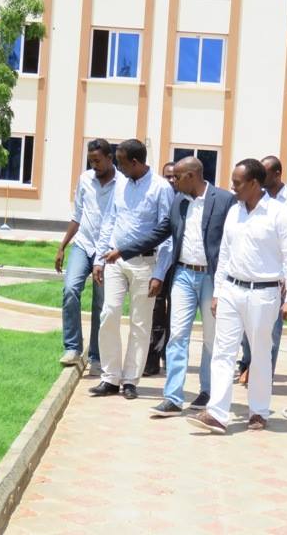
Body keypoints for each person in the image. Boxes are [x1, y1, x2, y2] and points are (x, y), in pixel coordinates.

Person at [106, 156, 235, 416]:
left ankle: (208, 391)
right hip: (184, 275)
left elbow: (235, 240)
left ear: (191, 176)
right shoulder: (178, 202)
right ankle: (173, 397)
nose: (172, 181)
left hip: (211, 277)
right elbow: (159, 233)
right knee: (177, 336)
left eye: (177, 177)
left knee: (211, 338)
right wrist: (123, 251)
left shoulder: (223, 200)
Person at [187, 159, 287, 434]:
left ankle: (259, 412)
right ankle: (217, 413)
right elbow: (224, 254)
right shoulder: (234, 212)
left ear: (254, 183)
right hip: (230, 290)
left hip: (264, 294)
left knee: (260, 354)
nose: (232, 187)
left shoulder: (278, 213)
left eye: (237, 182)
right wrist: (217, 292)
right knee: (223, 352)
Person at [90, 139, 173, 400]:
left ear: (135, 162)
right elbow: (110, 221)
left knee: (140, 323)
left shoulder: (161, 188)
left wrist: (160, 273)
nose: (118, 167)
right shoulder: (120, 185)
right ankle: (110, 377)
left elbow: (167, 235)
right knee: (109, 314)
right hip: (115, 261)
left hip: (146, 265)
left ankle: (130, 380)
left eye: (122, 162)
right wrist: (99, 259)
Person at [237, 155, 287, 381]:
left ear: (277, 174)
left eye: (264, 173)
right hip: (250, 273)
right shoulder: (249, 202)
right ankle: (248, 364)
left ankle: (262, 375)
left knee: (271, 332)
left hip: (276, 276)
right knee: (247, 330)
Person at [56, 139, 120, 375]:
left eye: (98, 160)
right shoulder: (85, 179)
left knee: (100, 303)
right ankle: (72, 348)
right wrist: (63, 245)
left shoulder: (121, 184)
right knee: (71, 289)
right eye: (91, 160)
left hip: (107, 252)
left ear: (109, 158)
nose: (94, 165)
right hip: (83, 245)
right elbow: (78, 215)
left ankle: (95, 355)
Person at [143, 161, 178, 376]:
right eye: (168, 176)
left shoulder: (187, 200)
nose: (172, 180)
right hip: (158, 263)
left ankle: (169, 357)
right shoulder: (158, 197)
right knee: (155, 310)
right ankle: (152, 359)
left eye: (175, 176)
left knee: (175, 312)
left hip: (180, 265)